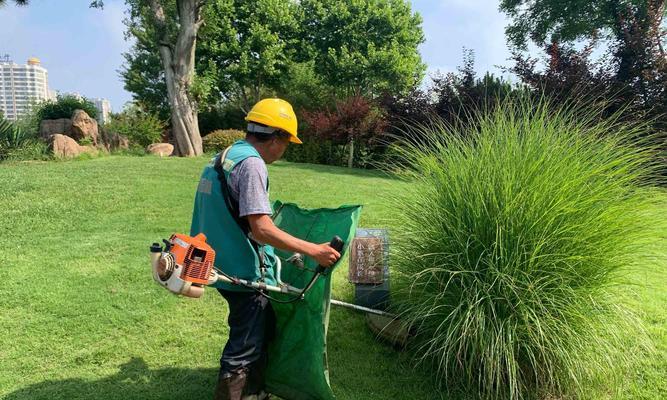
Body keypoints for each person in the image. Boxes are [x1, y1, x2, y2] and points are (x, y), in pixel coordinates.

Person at [190, 98, 341, 400]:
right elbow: (262, 229)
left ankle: (255, 391)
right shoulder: (252, 165)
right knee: (244, 344)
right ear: (276, 137)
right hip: (243, 271)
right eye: (287, 142)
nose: (285, 150)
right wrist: (314, 250)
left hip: (219, 263)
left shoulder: (226, 156)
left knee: (260, 328)